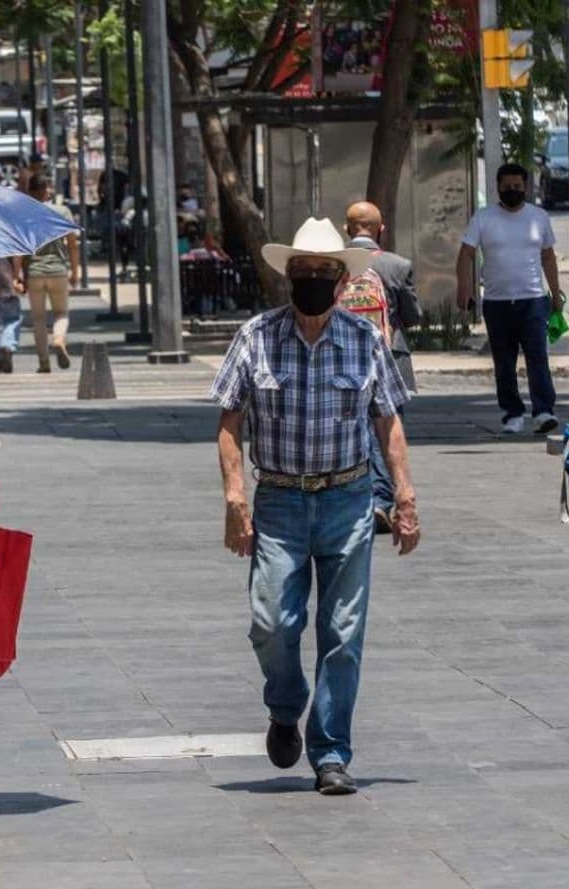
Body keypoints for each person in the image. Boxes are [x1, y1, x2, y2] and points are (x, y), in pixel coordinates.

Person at [210, 217, 420, 796]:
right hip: (278, 499)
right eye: (300, 271)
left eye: (321, 273)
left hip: (348, 500)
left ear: (339, 280)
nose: (310, 280)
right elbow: (229, 424)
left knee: (343, 632)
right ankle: (285, 704)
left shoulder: (363, 339)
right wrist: (234, 498)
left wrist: (404, 495)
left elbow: (389, 422)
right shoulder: (255, 336)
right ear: (288, 276)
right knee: (273, 622)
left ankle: (330, 752)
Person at [456, 162, 565, 435]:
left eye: (517, 186)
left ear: (525, 187)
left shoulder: (539, 217)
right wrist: (464, 288)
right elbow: (466, 253)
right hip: (497, 302)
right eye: (507, 187)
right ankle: (512, 414)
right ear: (498, 188)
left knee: (537, 357)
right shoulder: (483, 218)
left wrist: (555, 292)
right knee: (504, 361)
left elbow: (548, 256)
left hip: (533, 300)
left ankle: (543, 412)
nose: (512, 191)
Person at [344, 201, 423, 532]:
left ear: (347, 229)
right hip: (391, 358)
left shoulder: (336, 265)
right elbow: (413, 316)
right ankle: (381, 498)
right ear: (381, 228)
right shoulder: (397, 265)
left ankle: (361, 498)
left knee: (353, 428)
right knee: (388, 429)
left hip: (346, 358)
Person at [22, 177, 79, 372]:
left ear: (30, 192)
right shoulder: (62, 212)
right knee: (61, 313)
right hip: (58, 270)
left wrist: (18, 275)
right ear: (47, 191)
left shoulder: (25, 214)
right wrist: (75, 272)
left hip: (35, 272)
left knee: (38, 319)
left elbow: (20, 250)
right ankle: (58, 338)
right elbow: (72, 244)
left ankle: (43, 362)